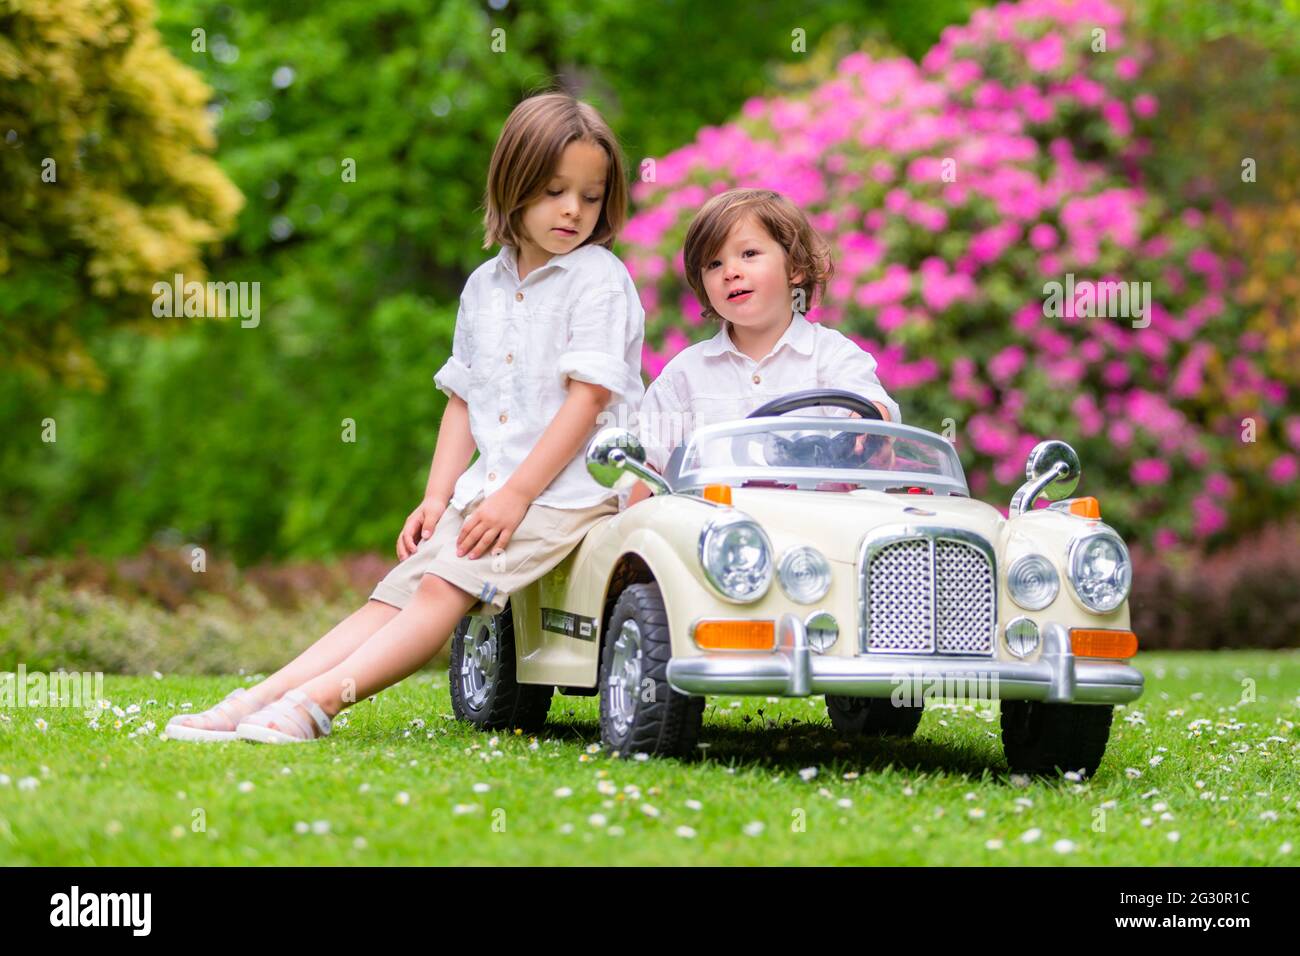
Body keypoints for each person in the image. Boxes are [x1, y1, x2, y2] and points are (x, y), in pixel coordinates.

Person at [166, 92, 644, 743]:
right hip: (493, 490)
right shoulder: (484, 287)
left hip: (565, 493)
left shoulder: (599, 279)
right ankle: (260, 698)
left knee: (441, 595)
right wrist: (437, 497)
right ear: (514, 185)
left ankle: (315, 705)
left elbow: (587, 401)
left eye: (590, 197)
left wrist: (516, 497)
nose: (572, 210)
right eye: (555, 190)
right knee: (389, 597)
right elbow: (462, 399)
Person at [629, 188, 900, 504]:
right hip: (715, 536)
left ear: (795, 268)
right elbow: (646, 464)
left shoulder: (831, 355)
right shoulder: (684, 375)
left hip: (819, 531)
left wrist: (868, 430)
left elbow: (871, 408)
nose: (731, 272)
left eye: (749, 254)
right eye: (714, 264)